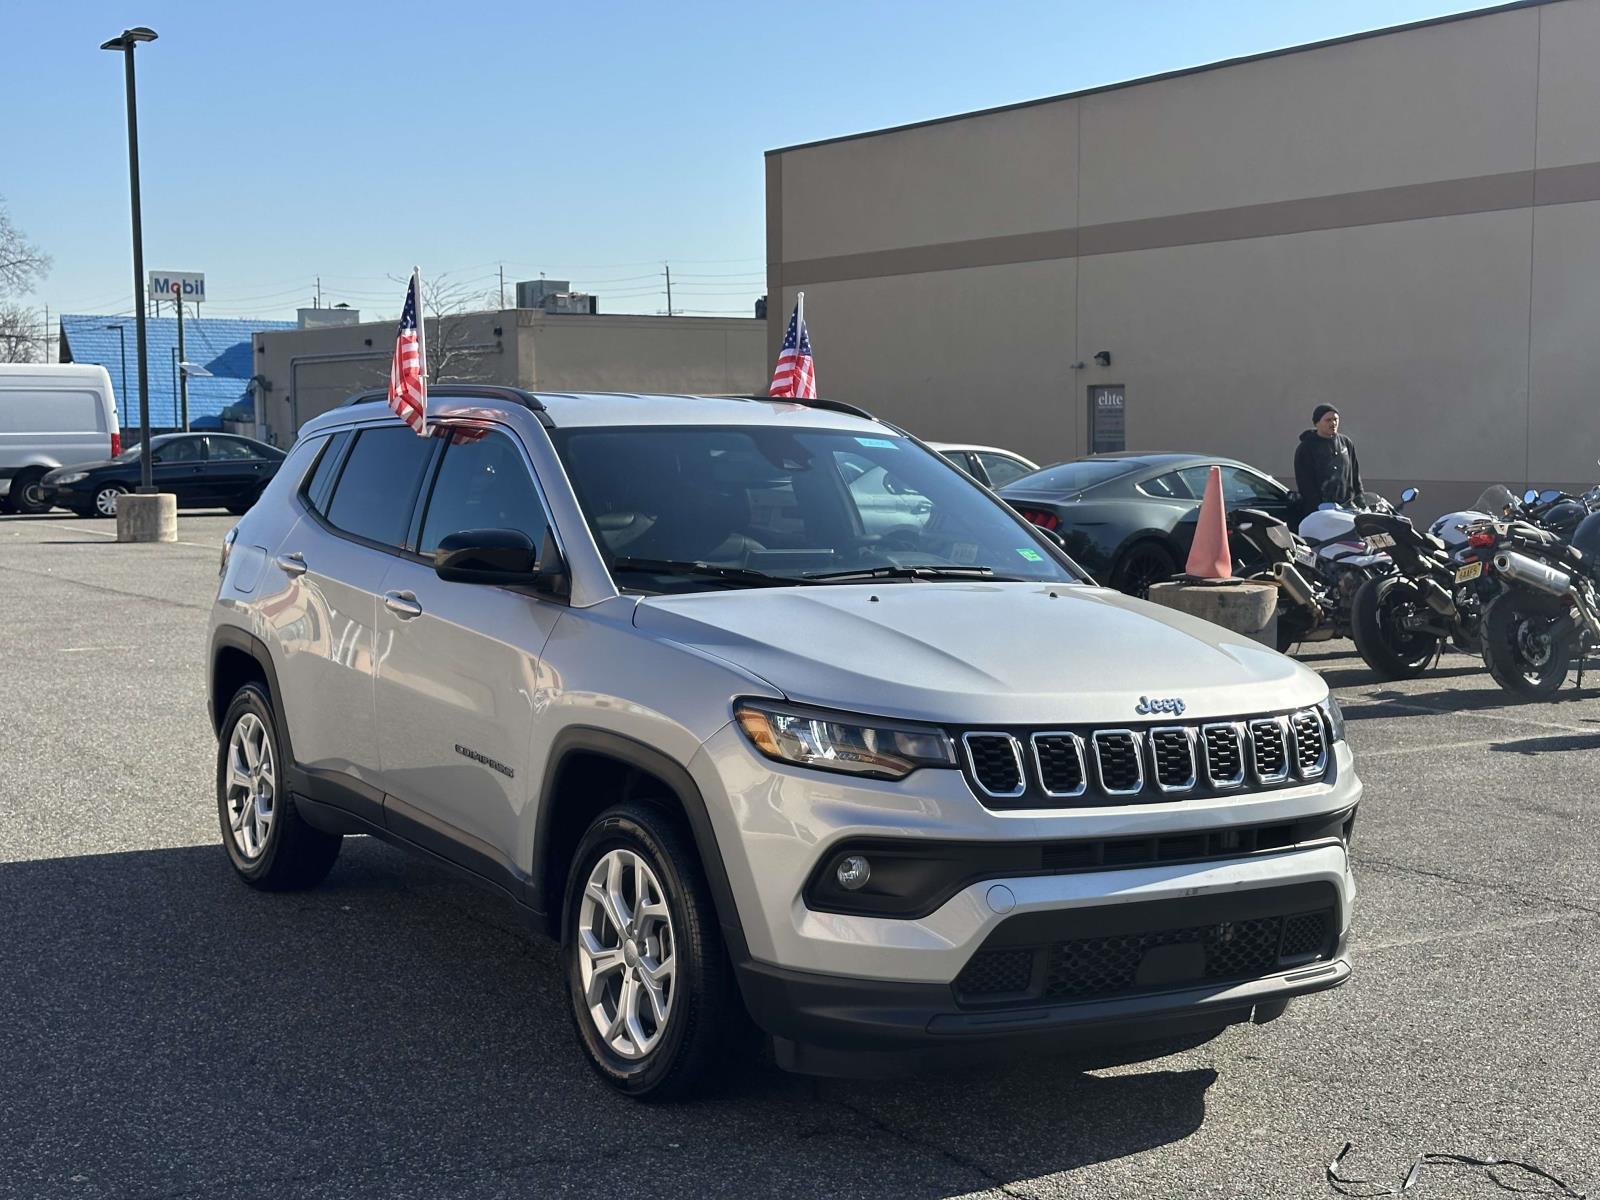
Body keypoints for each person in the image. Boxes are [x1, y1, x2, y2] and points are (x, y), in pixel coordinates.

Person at [1293, 403, 1364, 521]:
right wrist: (1318, 505)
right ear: (1317, 423)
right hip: (1320, 512)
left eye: (1336, 419)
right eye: (1328, 420)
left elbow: (1355, 475)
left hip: (1347, 509)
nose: (1333, 423)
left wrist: (1360, 500)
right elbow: (1305, 483)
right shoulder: (1306, 448)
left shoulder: (1346, 443)